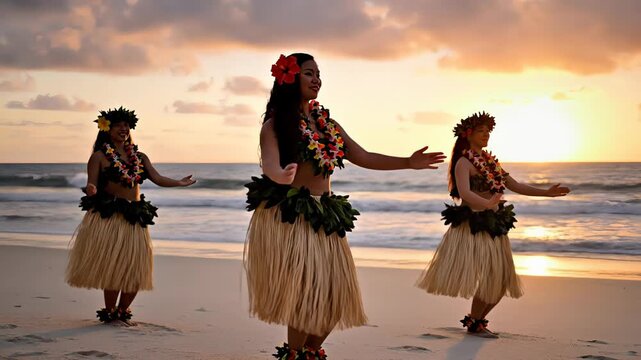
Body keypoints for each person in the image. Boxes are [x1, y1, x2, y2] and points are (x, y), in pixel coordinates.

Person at [244, 53, 446, 359]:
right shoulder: (275, 125)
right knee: (305, 296)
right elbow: (270, 163)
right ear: (290, 79)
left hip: (326, 216)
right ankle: (296, 354)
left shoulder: (328, 124)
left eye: (318, 74)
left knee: (336, 299)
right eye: (309, 73)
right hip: (295, 218)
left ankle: (309, 351)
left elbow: (363, 157)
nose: (317, 79)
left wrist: (408, 162)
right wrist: (279, 176)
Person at [415, 112, 570, 338]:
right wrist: (488, 204)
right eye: (481, 131)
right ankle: (476, 324)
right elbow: (466, 194)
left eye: (489, 131)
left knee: (502, 279)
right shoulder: (463, 162)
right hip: (475, 226)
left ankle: (476, 321)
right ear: (468, 135)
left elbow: (515, 185)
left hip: (494, 225)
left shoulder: (491, 163)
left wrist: (546, 193)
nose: (487, 134)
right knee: (490, 277)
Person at [65, 107, 196, 326]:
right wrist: (90, 189)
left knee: (136, 269)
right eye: (118, 125)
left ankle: (123, 311)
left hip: (135, 217)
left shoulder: (140, 157)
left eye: (126, 125)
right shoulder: (98, 157)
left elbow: (157, 178)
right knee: (114, 267)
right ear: (107, 128)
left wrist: (179, 182)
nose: (123, 129)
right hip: (111, 218)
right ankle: (110, 313)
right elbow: (92, 183)